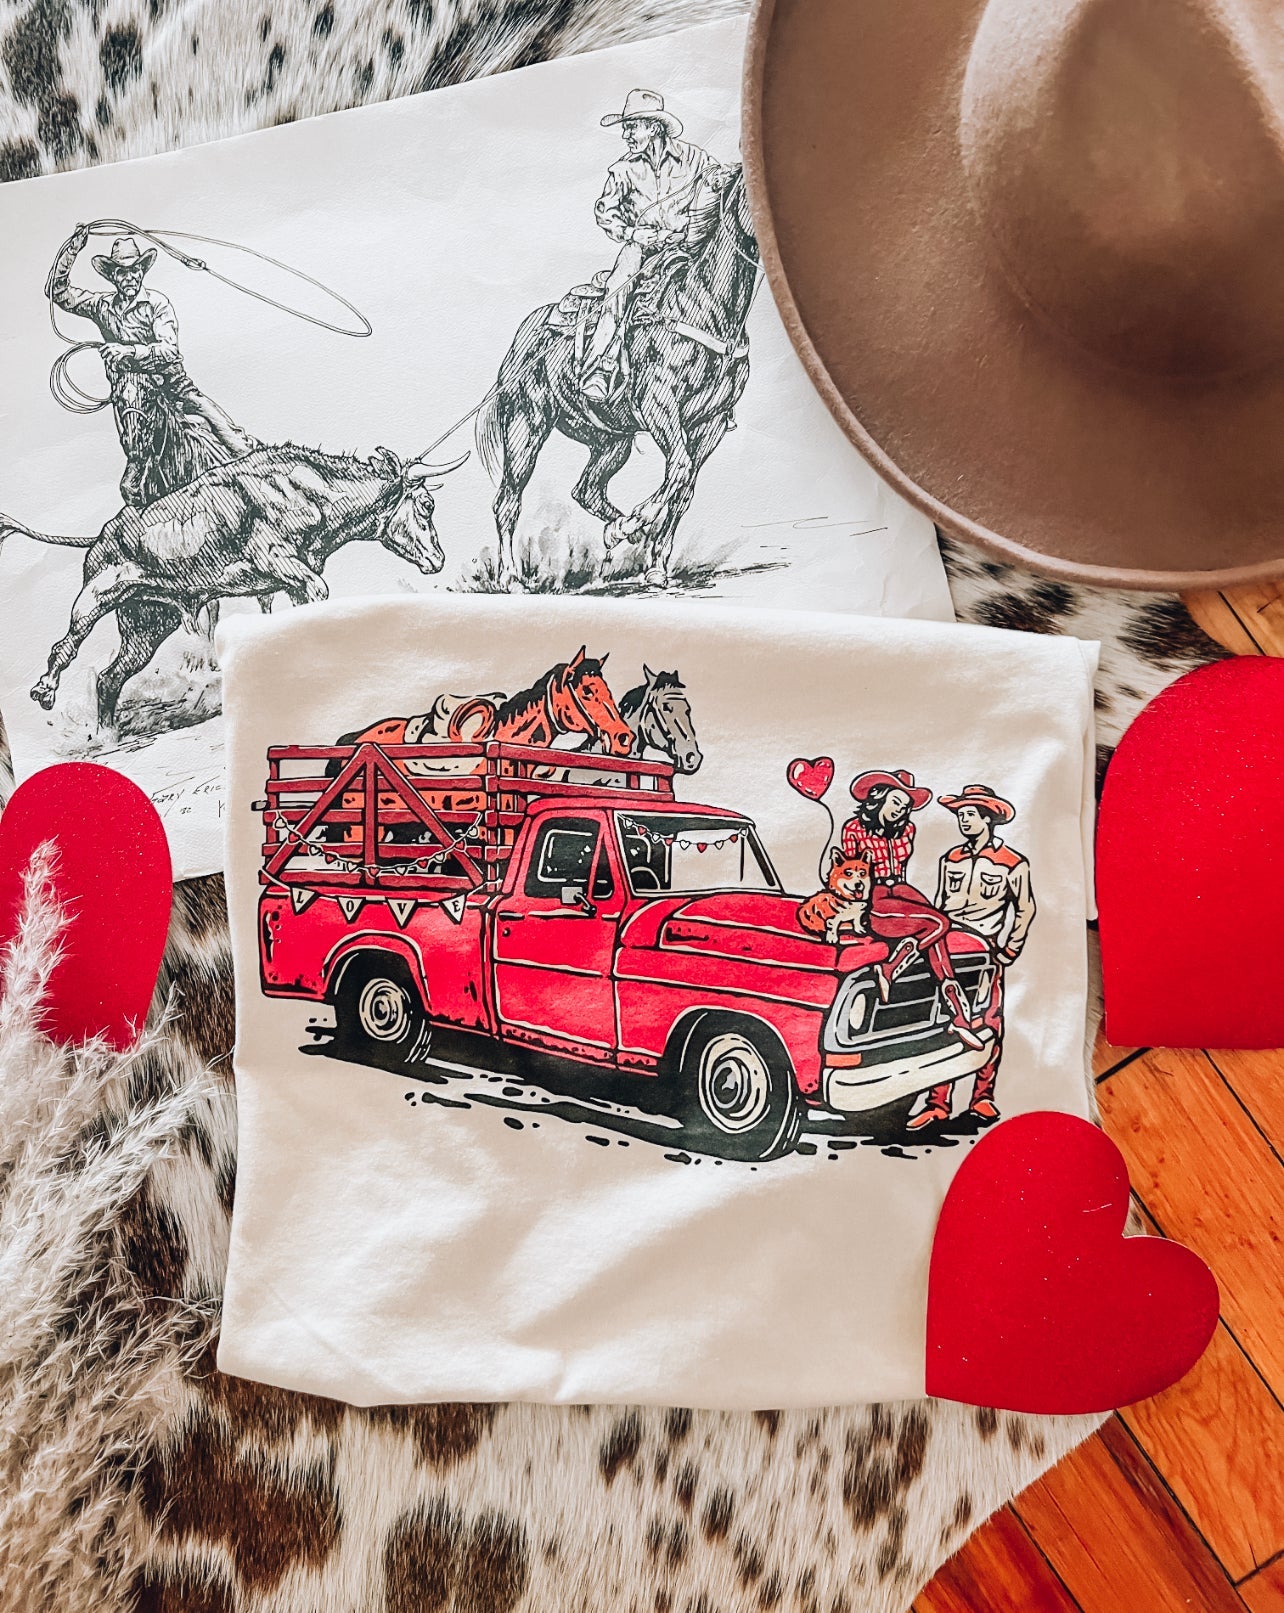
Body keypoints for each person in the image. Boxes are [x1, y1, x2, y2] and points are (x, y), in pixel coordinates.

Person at [47, 228, 255, 507]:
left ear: (142, 272)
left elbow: (169, 350)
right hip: (131, 393)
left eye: (135, 271)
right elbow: (57, 292)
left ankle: (249, 456)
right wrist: (72, 250)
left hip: (173, 386)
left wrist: (129, 351)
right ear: (113, 276)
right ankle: (137, 462)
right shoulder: (100, 305)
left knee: (228, 435)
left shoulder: (158, 304)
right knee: (132, 441)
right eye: (122, 272)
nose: (130, 277)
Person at [908, 785, 1036, 1132]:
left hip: (984, 953)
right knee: (942, 1023)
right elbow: (938, 904)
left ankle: (982, 1096)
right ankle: (938, 1103)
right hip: (946, 950)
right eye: (960, 815)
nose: (963, 821)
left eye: (970, 815)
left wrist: (1009, 949)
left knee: (989, 1021)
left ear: (987, 819)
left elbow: (1024, 908)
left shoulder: (1013, 863)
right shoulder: (950, 859)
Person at [581, 89, 722, 403]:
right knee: (618, 288)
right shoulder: (622, 170)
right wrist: (632, 233)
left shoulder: (697, 159)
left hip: (688, 246)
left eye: (632, 127)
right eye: (625, 128)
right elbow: (606, 211)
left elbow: (719, 185)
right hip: (641, 250)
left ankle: (721, 375)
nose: (626, 135)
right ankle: (601, 367)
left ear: (654, 127)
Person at [839, 769, 985, 1052]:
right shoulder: (853, 829)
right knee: (939, 925)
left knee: (939, 930)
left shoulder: (908, 830)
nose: (901, 810)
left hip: (902, 889)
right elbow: (852, 873)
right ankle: (958, 1016)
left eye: (906, 806)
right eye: (896, 802)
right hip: (874, 896)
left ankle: (953, 1014)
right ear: (878, 798)